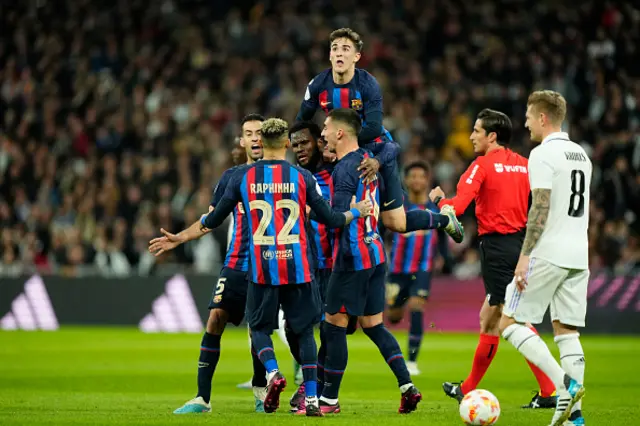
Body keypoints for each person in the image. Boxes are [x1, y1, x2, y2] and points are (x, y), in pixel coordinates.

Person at [168, 117, 372, 417]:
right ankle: (313, 400)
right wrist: (356, 211)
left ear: (261, 143)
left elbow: (212, 220)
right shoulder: (303, 177)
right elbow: (330, 218)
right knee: (303, 333)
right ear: (287, 143)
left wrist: (181, 236)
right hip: (299, 267)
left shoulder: (242, 178)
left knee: (259, 328)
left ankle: (273, 372)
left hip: (262, 267)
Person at [434, 109, 557, 408]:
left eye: (476, 130)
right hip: (523, 244)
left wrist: (440, 200)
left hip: (497, 249)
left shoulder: (482, 165)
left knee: (514, 320)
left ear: (492, 136)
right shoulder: (525, 165)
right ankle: (466, 388)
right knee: (488, 319)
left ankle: (552, 389)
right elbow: (543, 206)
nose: (472, 135)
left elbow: (458, 206)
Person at [149, 114, 269, 414]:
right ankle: (202, 398)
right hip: (236, 262)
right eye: (249, 133)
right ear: (242, 141)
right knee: (215, 318)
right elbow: (210, 220)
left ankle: (260, 390)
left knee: (258, 329)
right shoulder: (232, 177)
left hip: (268, 264)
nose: (255, 138)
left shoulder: (283, 175)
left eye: (260, 133)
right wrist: (179, 238)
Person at [296, 27, 464, 241]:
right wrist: (320, 147)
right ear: (329, 54)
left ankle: (445, 220)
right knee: (342, 208)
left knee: (397, 222)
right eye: (335, 48)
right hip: (343, 152)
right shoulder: (318, 84)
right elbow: (302, 123)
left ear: (356, 56)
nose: (339, 53)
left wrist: (337, 146)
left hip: (377, 150)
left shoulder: (368, 84)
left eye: (345, 49)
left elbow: (374, 128)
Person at [313, 108, 422, 415]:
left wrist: (312, 207)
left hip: (351, 258)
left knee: (333, 327)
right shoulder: (367, 158)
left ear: (339, 133)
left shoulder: (345, 169)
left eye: (325, 127)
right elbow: (391, 147)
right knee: (374, 326)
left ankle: (329, 401)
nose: (321, 133)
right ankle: (407, 386)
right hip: (375, 253)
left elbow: (336, 218)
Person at [500, 90, 589, 426]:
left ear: (542, 118)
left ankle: (566, 385)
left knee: (508, 321)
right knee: (566, 331)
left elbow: (540, 207)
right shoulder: (582, 154)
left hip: (548, 250)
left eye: (527, 115)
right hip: (578, 254)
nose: (524, 122)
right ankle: (573, 419)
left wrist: (525, 257)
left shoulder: (542, 153)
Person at [385, 161, 450, 376]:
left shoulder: (434, 209)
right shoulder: (397, 206)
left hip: (423, 268)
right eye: (412, 176)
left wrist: (444, 257)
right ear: (406, 179)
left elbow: (442, 234)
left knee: (416, 306)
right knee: (393, 315)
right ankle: (397, 309)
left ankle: (411, 361)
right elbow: (384, 229)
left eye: (420, 176)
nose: (416, 180)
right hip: (397, 269)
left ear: (427, 179)